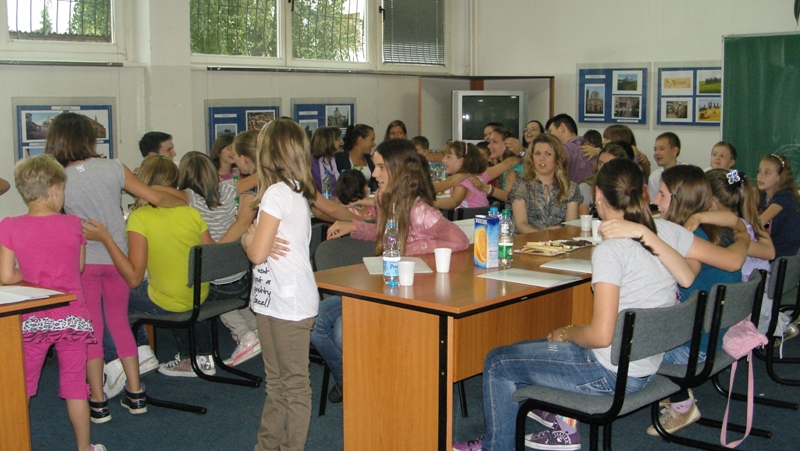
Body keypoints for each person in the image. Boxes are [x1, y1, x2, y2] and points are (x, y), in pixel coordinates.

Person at [454, 158, 699, 451]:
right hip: (646, 364)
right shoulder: (665, 232)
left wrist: (567, 332)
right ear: (643, 192)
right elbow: (687, 277)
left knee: (498, 362)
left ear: (598, 194)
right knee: (534, 347)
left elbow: (600, 337)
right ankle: (556, 415)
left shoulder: (612, 251)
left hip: (610, 374)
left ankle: (496, 447)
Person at [45, 112, 184, 419]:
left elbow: (53, 220)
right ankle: (135, 394)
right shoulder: (113, 167)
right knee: (120, 324)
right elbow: (154, 198)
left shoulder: (57, 177)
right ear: (88, 138)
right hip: (118, 258)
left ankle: (98, 401)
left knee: (93, 331)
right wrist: (182, 200)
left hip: (83, 262)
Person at [318, 139, 469, 403]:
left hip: (410, 291)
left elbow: (460, 240)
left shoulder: (421, 212)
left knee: (342, 329)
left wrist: (412, 248)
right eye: (375, 167)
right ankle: (352, 380)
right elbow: (382, 232)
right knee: (317, 322)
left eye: (380, 167)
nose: (374, 174)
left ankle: (365, 383)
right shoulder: (382, 197)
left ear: (399, 170)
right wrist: (355, 226)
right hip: (384, 281)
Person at [0, 155, 104, 451]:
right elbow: (78, 267)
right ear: (55, 189)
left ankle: (14, 443)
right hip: (72, 316)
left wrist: (29, 273)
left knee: (22, 384)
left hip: (33, 317)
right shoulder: (73, 224)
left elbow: (6, 276)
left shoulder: (9, 225)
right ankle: (84, 447)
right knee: (75, 386)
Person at [83, 156, 217, 379]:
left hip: (169, 299)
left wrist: (106, 238)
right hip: (198, 295)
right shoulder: (192, 213)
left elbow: (134, 278)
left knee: (109, 297)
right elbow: (211, 256)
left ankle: (136, 354)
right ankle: (193, 355)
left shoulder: (140, 218)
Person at [646, 164, 744, 436]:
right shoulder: (712, 229)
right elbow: (735, 221)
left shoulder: (692, 237)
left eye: (662, 195)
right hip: (712, 336)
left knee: (625, 343)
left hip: (694, 346)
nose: (655, 201)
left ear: (681, 200)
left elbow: (686, 275)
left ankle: (682, 406)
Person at [240, 118, 320, 451]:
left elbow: (256, 252)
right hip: (273, 299)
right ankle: (266, 446)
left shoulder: (277, 193)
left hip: (289, 302)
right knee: (277, 384)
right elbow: (260, 246)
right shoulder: (293, 189)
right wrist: (253, 239)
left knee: (293, 386)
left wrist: (250, 238)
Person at [146, 151, 260, 371]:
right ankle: (256, 329)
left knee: (201, 292)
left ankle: (244, 335)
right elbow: (256, 178)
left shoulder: (188, 198)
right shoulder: (229, 189)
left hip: (216, 277)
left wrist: (144, 182)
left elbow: (157, 191)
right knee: (224, 289)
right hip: (241, 274)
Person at [508, 134, 582, 234]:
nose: (542, 158)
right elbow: (521, 224)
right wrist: (543, 235)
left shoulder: (570, 188)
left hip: (559, 241)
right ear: (531, 157)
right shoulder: (521, 185)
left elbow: (571, 227)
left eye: (548, 154)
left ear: (557, 158)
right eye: (537, 153)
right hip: (527, 241)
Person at [757, 153, 800, 258]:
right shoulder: (763, 196)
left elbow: (760, 221)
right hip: (769, 251)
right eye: (759, 171)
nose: (760, 176)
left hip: (784, 257)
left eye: (767, 173)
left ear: (779, 177)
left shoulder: (785, 196)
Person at [577, 142, 632, 216]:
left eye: (609, 164)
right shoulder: (586, 187)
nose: (603, 168)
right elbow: (584, 219)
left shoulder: (627, 189)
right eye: (600, 163)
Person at [434, 141, 489, 210]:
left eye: (448, 157)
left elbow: (454, 202)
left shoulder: (462, 184)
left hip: (471, 216)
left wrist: (433, 203)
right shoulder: (478, 177)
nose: (443, 160)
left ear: (461, 162)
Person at [545, 113, 595, 184]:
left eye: (550, 132)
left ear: (562, 127)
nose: (549, 137)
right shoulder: (594, 150)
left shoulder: (563, 150)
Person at [335, 123, 377, 191]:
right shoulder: (340, 159)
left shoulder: (370, 160)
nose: (374, 144)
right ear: (360, 140)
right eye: (372, 140)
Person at [647, 132, 682, 201]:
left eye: (661, 149)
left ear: (675, 151)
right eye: (655, 149)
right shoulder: (654, 177)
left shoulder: (687, 173)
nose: (656, 153)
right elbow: (654, 203)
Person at [310, 126, 342, 195]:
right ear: (327, 142)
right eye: (337, 139)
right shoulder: (312, 162)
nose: (341, 141)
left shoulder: (332, 159)